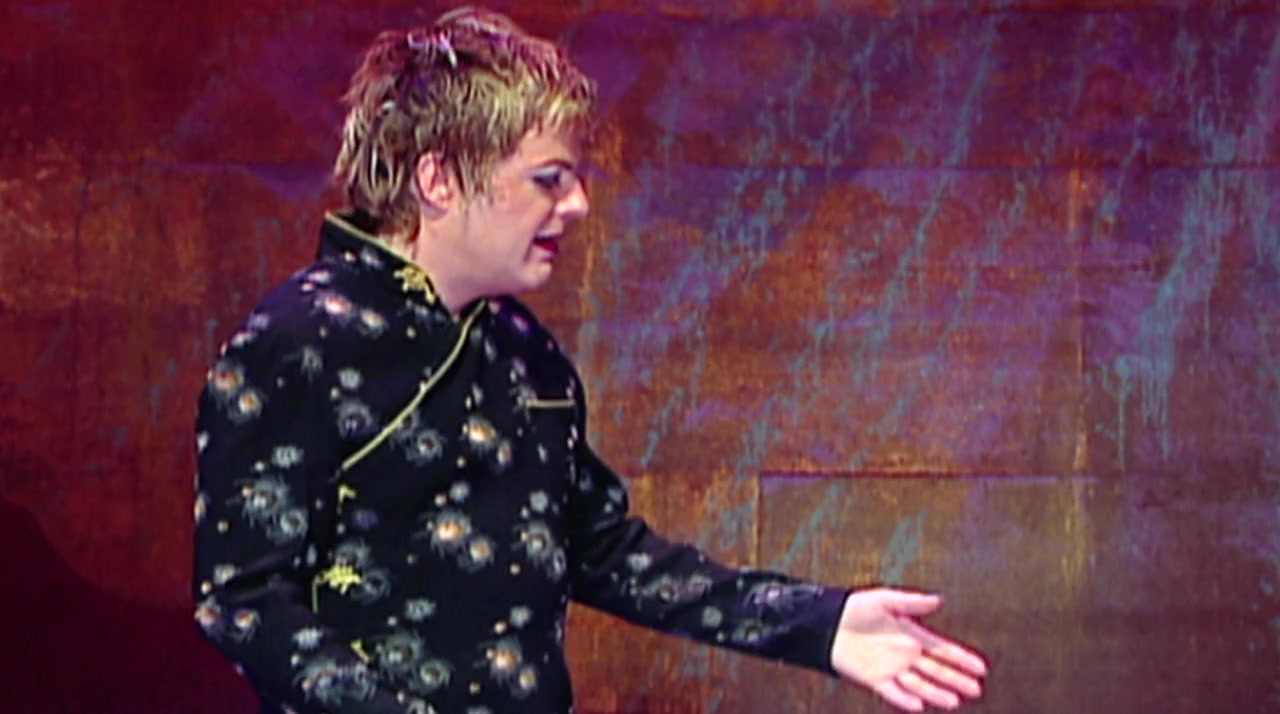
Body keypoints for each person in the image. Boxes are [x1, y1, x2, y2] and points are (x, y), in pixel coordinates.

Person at [192, 7, 988, 713]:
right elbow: (243, 597)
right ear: (439, 178)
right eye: (548, 180)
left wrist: (817, 624)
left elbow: (600, 548)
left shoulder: (520, 349)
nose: (577, 205)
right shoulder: (298, 342)